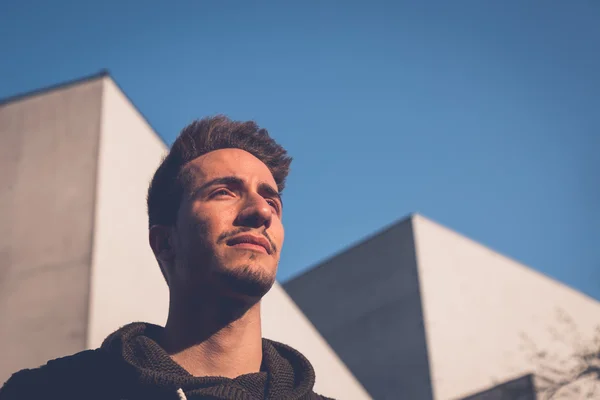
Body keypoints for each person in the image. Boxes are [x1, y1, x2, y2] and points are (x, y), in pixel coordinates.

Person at [0, 116, 332, 400]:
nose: (261, 211)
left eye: (272, 203)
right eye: (224, 192)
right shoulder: (50, 390)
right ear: (165, 241)